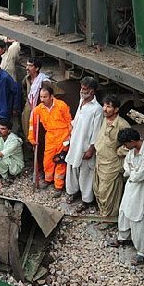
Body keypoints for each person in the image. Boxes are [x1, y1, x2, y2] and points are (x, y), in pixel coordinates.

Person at [111, 128, 144, 266]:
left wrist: (131, 171)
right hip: (132, 187)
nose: (125, 147)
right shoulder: (133, 150)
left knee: (139, 219)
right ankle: (123, 237)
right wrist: (132, 170)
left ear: (132, 141)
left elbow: (139, 176)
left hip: (143, 191)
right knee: (124, 212)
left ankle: (142, 252)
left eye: (126, 144)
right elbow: (126, 164)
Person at [65, 77, 102, 211]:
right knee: (72, 168)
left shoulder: (97, 109)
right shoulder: (81, 101)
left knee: (86, 173)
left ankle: (86, 200)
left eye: (84, 89)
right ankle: (72, 192)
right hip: (75, 142)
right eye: (81, 88)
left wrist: (91, 148)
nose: (81, 91)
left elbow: (97, 131)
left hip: (85, 146)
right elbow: (76, 120)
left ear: (92, 91)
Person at [28, 86, 72, 194]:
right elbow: (32, 124)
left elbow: (69, 122)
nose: (42, 99)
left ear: (51, 96)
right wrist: (31, 137)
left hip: (63, 136)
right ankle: (48, 179)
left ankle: (58, 186)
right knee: (47, 160)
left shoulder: (61, 106)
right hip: (50, 137)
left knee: (60, 161)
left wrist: (69, 137)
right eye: (41, 97)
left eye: (45, 97)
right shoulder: (38, 109)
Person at [93, 94, 130, 219]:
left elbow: (133, 144)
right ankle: (103, 214)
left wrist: (120, 151)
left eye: (108, 107)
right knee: (98, 189)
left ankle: (109, 218)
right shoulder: (104, 119)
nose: (104, 109)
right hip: (100, 160)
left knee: (107, 193)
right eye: (104, 105)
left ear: (116, 109)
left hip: (112, 164)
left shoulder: (122, 125)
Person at [22, 57, 48, 136]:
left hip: (39, 113)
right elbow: (24, 90)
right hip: (28, 111)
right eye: (27, 65)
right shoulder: (27, 79)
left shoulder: (43, 82)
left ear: (36, 68)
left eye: (30, 66)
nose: (27, 68)